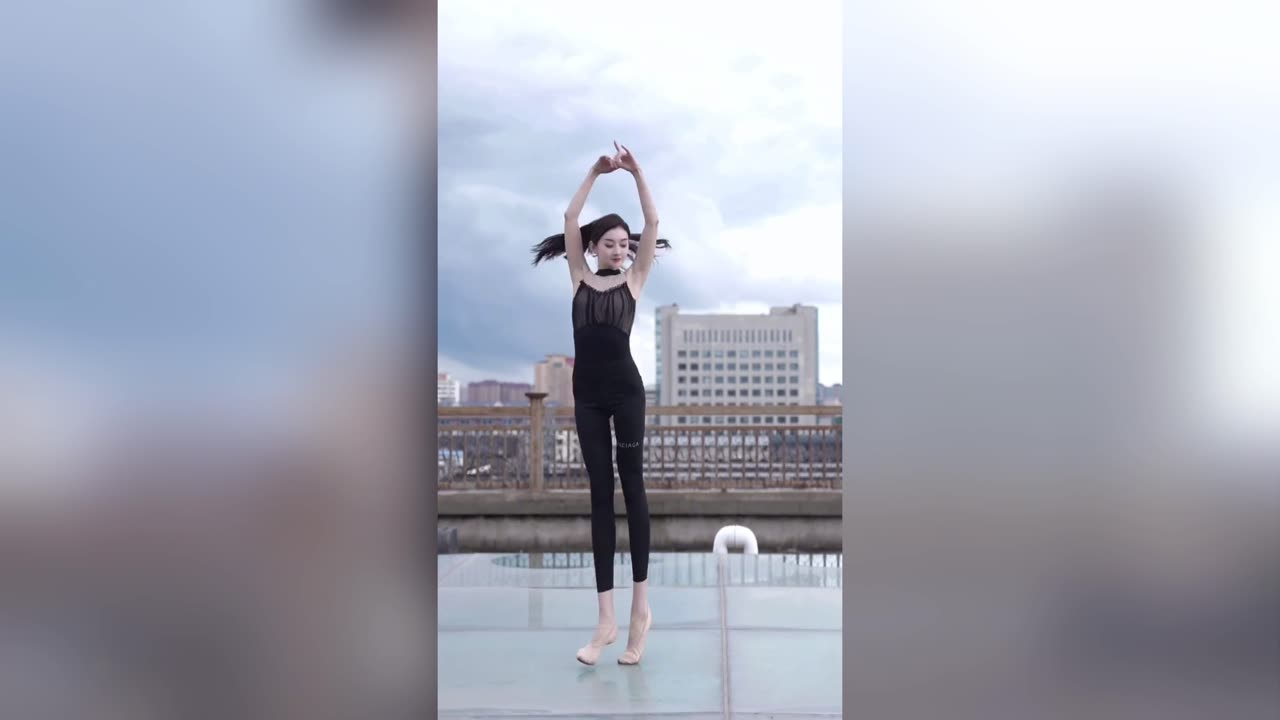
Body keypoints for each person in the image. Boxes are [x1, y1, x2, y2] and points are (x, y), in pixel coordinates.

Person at [531, 142, 670, 665]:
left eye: (625, 244)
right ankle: (605, 620)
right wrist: (594, 171)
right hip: (586, 398)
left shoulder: (634, 282)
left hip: (626, 394)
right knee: (598, 498)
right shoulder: (577, 279)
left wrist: (636, 173)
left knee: (632, 491)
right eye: (610, 243)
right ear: (593, 249)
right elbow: (570, 215)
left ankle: (640, 611)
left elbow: (652, 219)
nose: (620, 250)